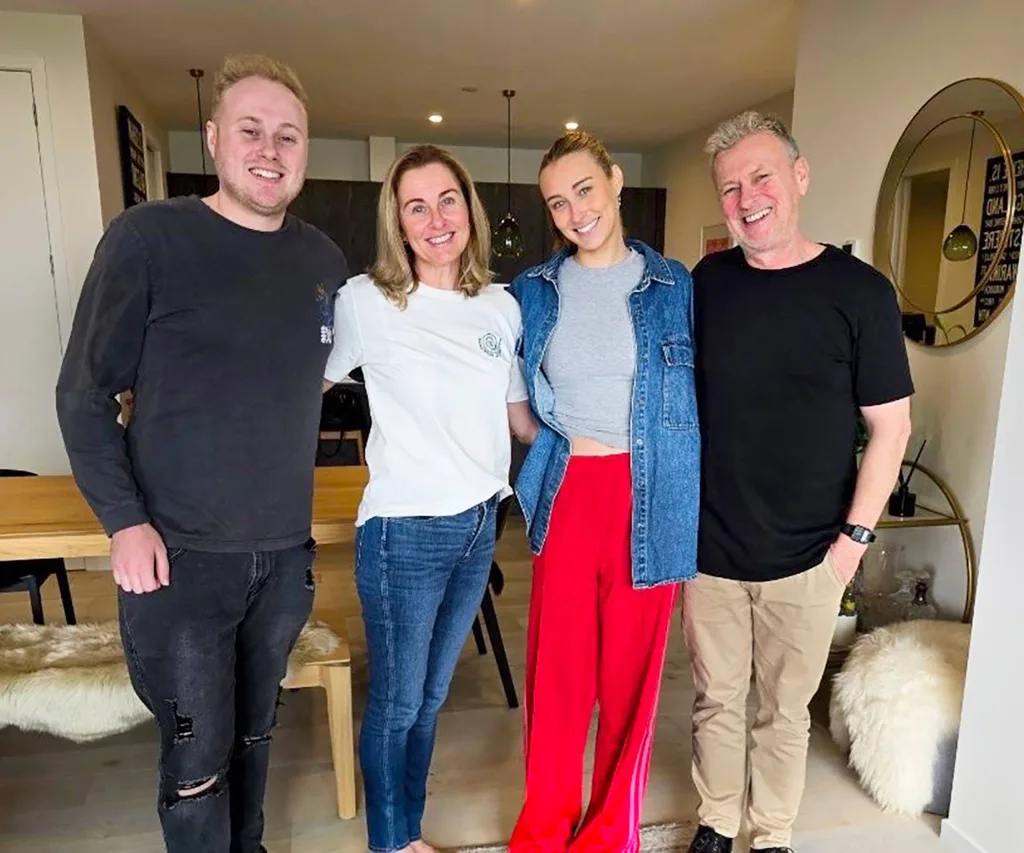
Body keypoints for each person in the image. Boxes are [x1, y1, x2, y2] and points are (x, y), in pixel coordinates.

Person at [55, 55, 347, 853]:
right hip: (178, 559)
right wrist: (124, 522)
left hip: (283, 556)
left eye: (289, 135)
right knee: (195, 757)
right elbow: (82, 394)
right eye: (251, 129)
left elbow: (317, 376)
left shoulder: (323, 262)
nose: (270, 148)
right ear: (215, 138)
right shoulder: (150, 239)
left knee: (254, 735)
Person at [684, 112, 914, 853]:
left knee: (783, 711)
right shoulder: (707, 282)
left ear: (798, 177)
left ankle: (772, 832)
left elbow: (891, 429)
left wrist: (852, 543)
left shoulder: (862, 293)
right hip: (709, 549)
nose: (746, 198)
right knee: (714, 700)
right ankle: (716, 822)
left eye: (761, 177)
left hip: (812, 556)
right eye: (730, 187)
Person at [322, 144, 535, 853]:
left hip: (481, 524)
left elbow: (518, 418)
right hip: (404, 532)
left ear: (469, 210)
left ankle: (407, 831)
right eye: (417, 206)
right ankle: (392, 840)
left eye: (447, 200)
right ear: (399, 223)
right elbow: (297, 391)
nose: (436, 218)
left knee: (432, 697)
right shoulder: (365, 302)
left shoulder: (500, 308)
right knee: (397, 701)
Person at [507, 130, 701, 853]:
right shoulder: (531, 290)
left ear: (616, 182)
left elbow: (706, 396)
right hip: (567, 492)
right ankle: (544, 827)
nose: (574, 211)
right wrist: (529, 433)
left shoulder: (677, 286)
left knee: (631, 685)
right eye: (557, 202)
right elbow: (504, 378)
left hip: (652, 496)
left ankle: (606, 835)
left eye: (584, 189)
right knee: (558, 683)